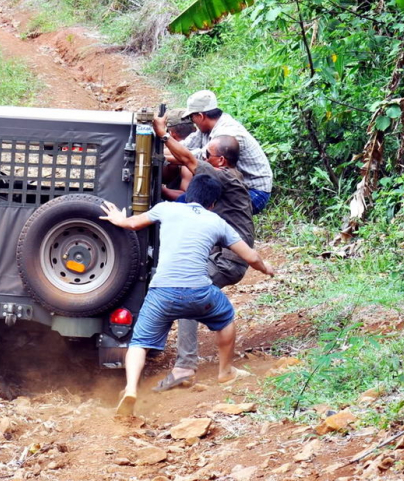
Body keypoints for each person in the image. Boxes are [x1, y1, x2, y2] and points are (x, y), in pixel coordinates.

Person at [99, 174, 275, 417]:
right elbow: (251, 257)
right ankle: (225, 372)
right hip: (199, 293)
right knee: (225, 318)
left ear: (188, 193)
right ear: (213, 203)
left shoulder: (165, 208)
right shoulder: (217, 221)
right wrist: (267, 269)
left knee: (139, 343)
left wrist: (118, 217)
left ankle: (130, 389)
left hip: (162, 293)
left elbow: (131, 224)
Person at [155, 115, 256, 390]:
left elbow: (187, 160)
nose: (205, 159)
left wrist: (163, 135)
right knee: (195, 298)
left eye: (209, 155)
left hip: (229, 260)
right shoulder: (227, 176)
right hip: (222, 258)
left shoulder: (223, 176)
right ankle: (216, 368)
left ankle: (186, 366)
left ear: (221, 160)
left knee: (188, 294)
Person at [181, 90, 273, 214]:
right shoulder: (208, 127)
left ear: (200, 116)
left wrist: (165, 143)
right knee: (183, 200)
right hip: (232, 184)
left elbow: (195, 158)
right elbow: (185, 147)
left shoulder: (227, 132)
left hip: (253, 191)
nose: (193, 121)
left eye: (192, 117)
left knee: (197, 210)